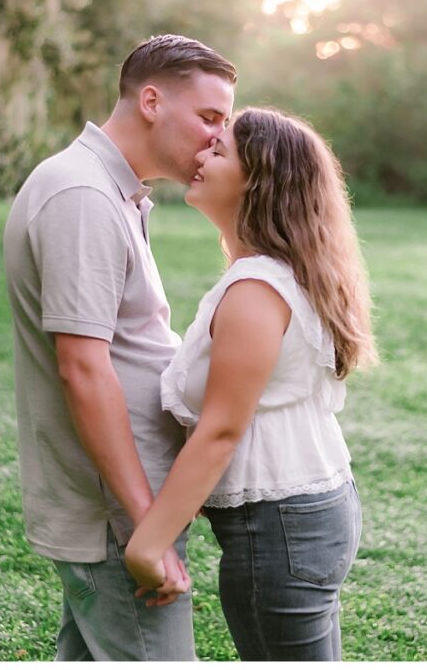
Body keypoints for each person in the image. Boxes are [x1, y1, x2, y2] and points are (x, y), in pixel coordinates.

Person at [2, 34, 237, 661]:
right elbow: (83, 370)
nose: (218, 138)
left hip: (126, 504)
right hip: (117, 511)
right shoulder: (82, 194)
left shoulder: (113, 189)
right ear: (152, 101)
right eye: (209, 117)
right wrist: (145, 527)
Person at [124, 107, 377, 660]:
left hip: (283, 528)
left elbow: (220, 431)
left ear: (258, 182)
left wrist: (148, 542)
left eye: (220, 152)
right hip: (309, 512)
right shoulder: (280, 274)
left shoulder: (257, 290)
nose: (201, 156)